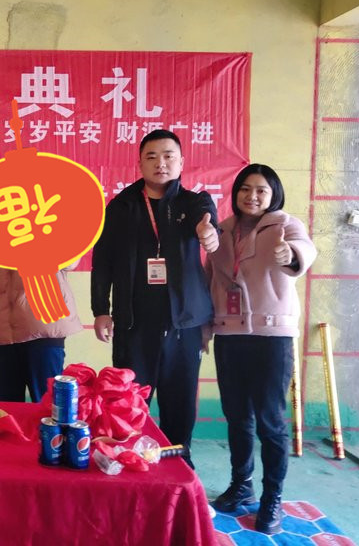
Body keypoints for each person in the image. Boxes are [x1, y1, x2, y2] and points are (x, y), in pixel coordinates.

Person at [90, 129, 220, 466]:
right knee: (129, 402)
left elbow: (207, 221)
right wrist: (101, 309)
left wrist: (207, 232)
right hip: (134, 324)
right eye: (151, 157)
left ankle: (180, 467)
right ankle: (130, 461)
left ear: (181, 162)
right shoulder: (121, 207)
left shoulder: (194, 203)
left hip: (183, 325)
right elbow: (103, 262)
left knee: (180, 403)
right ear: (140, 164)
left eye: (168, 156)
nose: (160, 163)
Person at [207, 164, 316, 534]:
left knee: (269, 420)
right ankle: (242, 484)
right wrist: (205, 329)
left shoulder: (285, 225)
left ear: (273, 196)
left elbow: (305, 248)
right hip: (229, 334)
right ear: (235, 192)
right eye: (245, 189)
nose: (251, 196)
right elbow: (210, 279)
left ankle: (272, 498)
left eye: (261, 191)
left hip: (272, 337)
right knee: (237, 416)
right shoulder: (221, 230)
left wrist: (292, 254)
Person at [0, 260, 82, 402]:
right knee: (8, 406)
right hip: (1, 329)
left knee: (47, 402)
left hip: (43, 324)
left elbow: (70, 260)